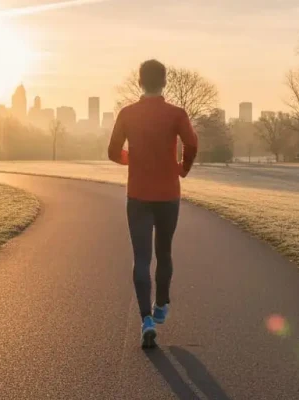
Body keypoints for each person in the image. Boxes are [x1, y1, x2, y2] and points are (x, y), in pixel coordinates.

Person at [107, 59, 198, 349]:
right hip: (168, 194)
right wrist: (181, 168)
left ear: (139, 82)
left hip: (138, 195)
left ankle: (146, 319)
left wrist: (133, 159)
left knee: (142, 257)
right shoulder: (176, 113)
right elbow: (192, 144)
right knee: (165, 252)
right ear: (165, 82)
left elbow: (112, 152)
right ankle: (161, 306)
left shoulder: (127, 114)